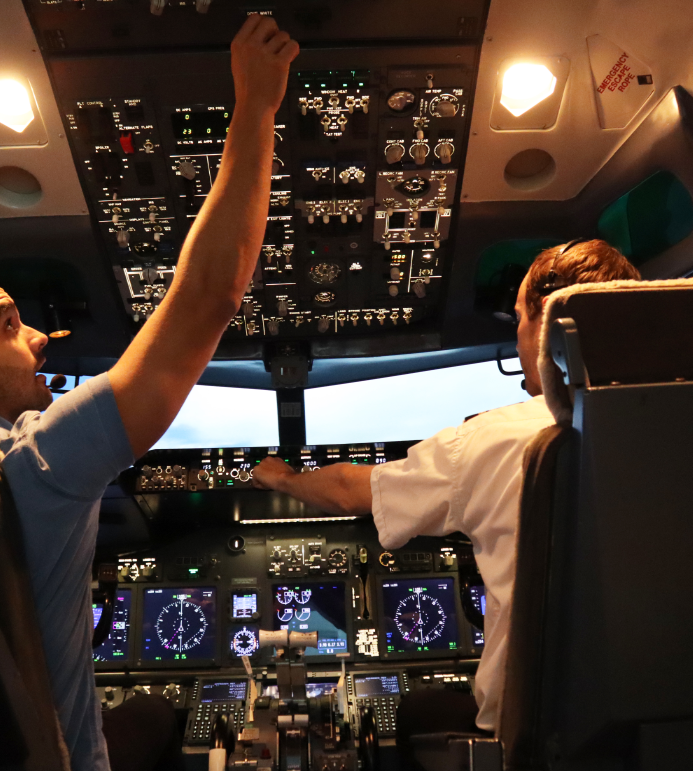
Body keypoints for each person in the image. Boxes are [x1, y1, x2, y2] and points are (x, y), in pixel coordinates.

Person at [0, 15, 299, 771]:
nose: (41, 338)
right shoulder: (28, 468)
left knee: (144, 710)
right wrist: (256, 105)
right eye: (11, 323)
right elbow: (211, 294)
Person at [252, 239, 640, 737]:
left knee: (414, 713)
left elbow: (352, 490)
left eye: (520, 319)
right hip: (663, 724)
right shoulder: (669, 429)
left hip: (532, 734)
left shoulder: (492, 439)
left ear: (549, 327)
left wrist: (281, 478)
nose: (518, 336)